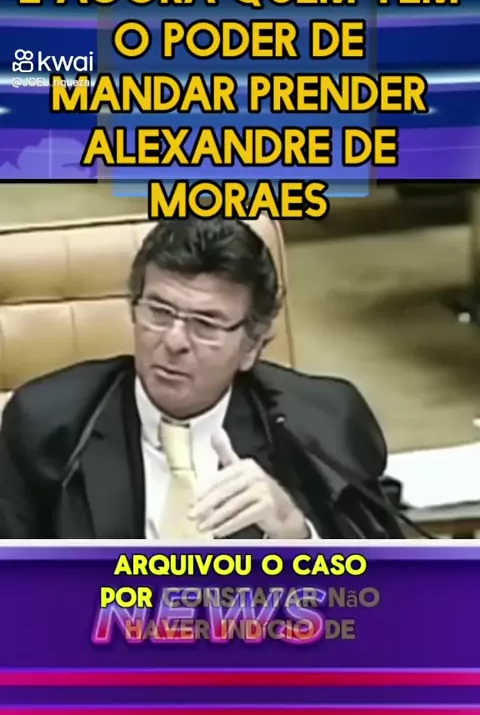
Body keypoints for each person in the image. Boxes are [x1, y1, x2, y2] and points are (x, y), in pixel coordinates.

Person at [0, 216, 404, 540]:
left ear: (252, 345)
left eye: (206, 324)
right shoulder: (47, 426)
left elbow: (391, 590)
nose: (174, 341)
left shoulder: (321, 423)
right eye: (159, 312)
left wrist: (298, 536)